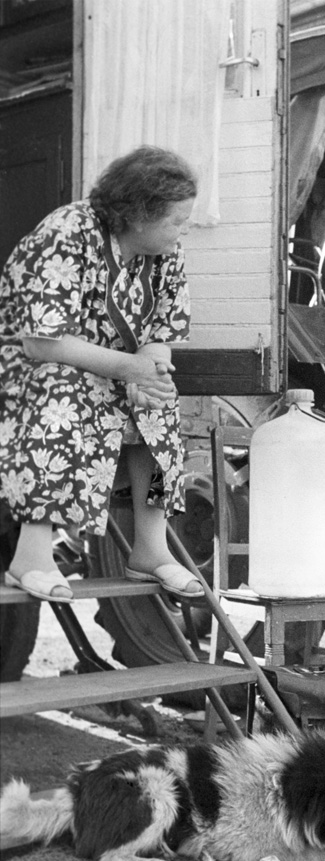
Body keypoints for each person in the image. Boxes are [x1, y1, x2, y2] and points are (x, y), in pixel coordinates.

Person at [0, 145, 204, 604]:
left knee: (160, 403)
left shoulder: (166, 252)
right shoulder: (66, 233)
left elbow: (162, 330)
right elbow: (41, 342)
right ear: (137, 214)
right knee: (64, 391)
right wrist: (129, 368)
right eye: (176, 219)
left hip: (108, 371)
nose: (184, 228)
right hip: (30, 372)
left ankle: (150, 548)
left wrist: (147, 371)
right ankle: (31, 554)